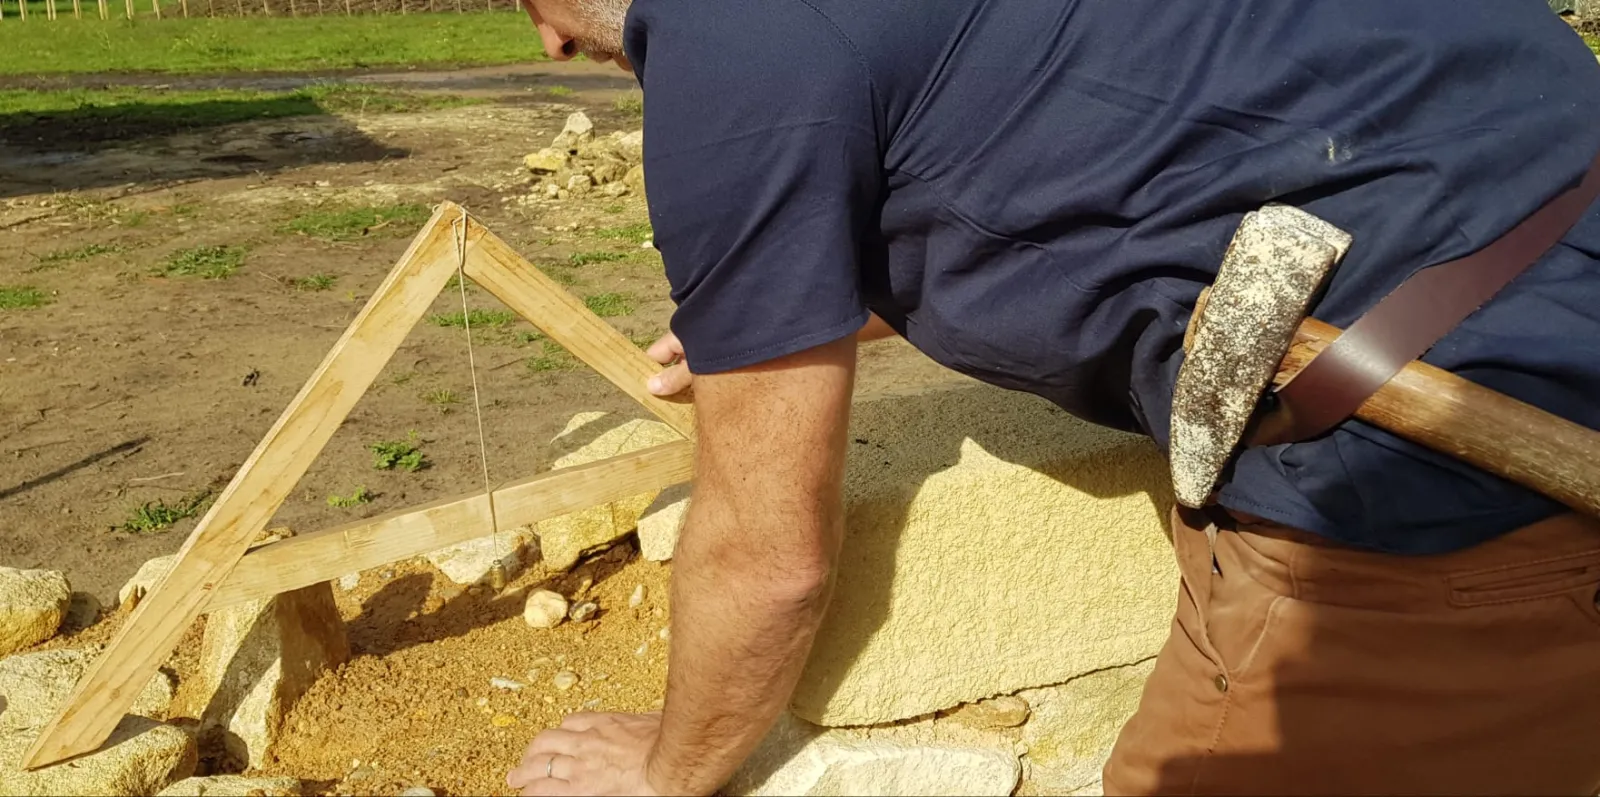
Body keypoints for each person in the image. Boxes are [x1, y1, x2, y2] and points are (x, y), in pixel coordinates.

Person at [503, 1, 1600, 794]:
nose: (547, 42)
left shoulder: (724, 43)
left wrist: (664, 765)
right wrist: (805, 304)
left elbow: (771, 555)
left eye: (530, 2)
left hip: (1478, 439)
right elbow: (1077, 114)